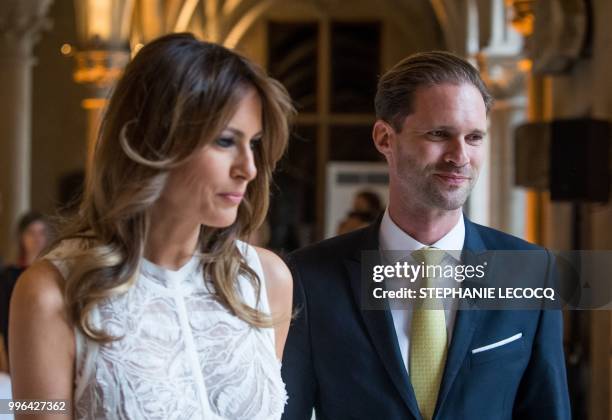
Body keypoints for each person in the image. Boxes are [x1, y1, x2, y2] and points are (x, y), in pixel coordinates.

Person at [10, 33, 294, 419]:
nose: (249, 168)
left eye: (254, 143)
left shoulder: (266, 280)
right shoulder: (50, 292)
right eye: (226, 141)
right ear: (156, 142)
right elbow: (33, 409)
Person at [282, 51, 570, 419]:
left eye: (475, 137)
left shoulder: (530, 271)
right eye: (439, 134)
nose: (460, 156)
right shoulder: (308, 277)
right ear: (385, 138)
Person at [0, 211, 51, 357]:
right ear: (22, 237)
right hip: (17, 342)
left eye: (41, 233)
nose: (37, 239)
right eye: (31, 233)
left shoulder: (52, 273)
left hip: (47, 340)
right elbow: (4, 319)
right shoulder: (9, 275)